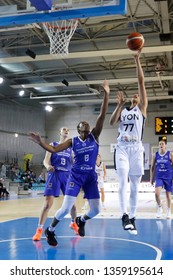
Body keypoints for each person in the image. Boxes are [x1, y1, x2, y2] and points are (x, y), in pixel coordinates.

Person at [29, 79, 109, 246]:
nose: (87, 134)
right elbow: (54, 150)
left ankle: (81, 219)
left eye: (88, 131)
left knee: (96, 210)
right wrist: (40, 142)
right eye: (84, 132)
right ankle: (50, 230)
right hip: (76, 176)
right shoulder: (73, 141)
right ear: (79, 131)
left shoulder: (95, 136)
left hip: (91, 177)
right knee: (65, 209)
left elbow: (101, 115)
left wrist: (106, 95)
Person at [109, 50, 148, 235]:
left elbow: (141, 82)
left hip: (137, 149)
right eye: (134, 95)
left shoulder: (142, 109)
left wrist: (137, 60)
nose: (136, 95)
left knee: (135, 186)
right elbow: (111, 122)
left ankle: (132, 217)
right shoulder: (124, 111)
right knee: (123, 182)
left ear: (140, 100)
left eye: (138, 95)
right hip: (123, 148)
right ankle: (124, 215)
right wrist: (118, 104)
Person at [32, 127, 78, 241]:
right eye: (64, 129)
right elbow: (45, 160)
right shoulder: (53, 144)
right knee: (47, 204)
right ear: (60, 132)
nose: (66, 131)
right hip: (55, 174)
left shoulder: (71, 148)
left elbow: (75, 161)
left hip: (67, 175)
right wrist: (48, 167)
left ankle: (73, 223)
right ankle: (39, 230)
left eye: (68, 130)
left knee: (72, 204)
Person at [150, 138, 173, 219]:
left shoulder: (170, 154)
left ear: (165, 145)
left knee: (168, 195)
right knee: (157, 194)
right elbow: (152, 167)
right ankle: (159, 207)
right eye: (160, 144)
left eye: (162, 144)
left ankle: (168, 211)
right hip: (159, 177)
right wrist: (151, 178)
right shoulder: (155, 155)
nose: (161, 145)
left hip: (168, 176)